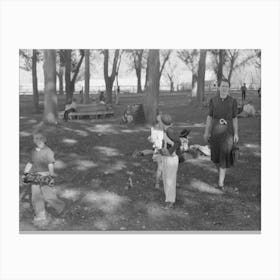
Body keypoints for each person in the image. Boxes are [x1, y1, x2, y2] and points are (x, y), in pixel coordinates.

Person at [22, 133, 65, 227]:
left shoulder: (48, 151)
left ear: (45, 139)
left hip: (45, 175)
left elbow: (50, 164)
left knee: (48, 195)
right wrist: (25, 173)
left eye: (40, 138)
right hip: (35, 176)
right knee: (35, 196)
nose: (38, 140)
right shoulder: (33, 151)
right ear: (34, 140)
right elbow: (30, 162)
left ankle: (60, 206)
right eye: (36, 139)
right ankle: (40, 215)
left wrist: (51, 175)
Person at [203, 80, 239, 190]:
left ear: (229, 88)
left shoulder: (233, 101)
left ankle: (220, 183)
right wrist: (206, 132)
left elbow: (234, 118)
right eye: (222, 86)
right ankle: (221, 173)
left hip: (227, 133)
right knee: (216, 157)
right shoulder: (213, 100)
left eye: (227, 86)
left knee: (224, 156)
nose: (224, 88)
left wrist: (236, 133)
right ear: (219, 87)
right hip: (215, 132)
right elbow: (209, 117)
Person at [158, 114, 181, 208]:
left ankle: (170, 201)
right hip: (166, 157)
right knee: (166, 178)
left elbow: (178, 142)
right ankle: (168, 197)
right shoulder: (165, 130)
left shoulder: (170, 131)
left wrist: (170, 152)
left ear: (163, 123)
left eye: (159, 121)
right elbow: (165, 143)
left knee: (170, 180)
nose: (158, 123)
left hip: (171, 159)